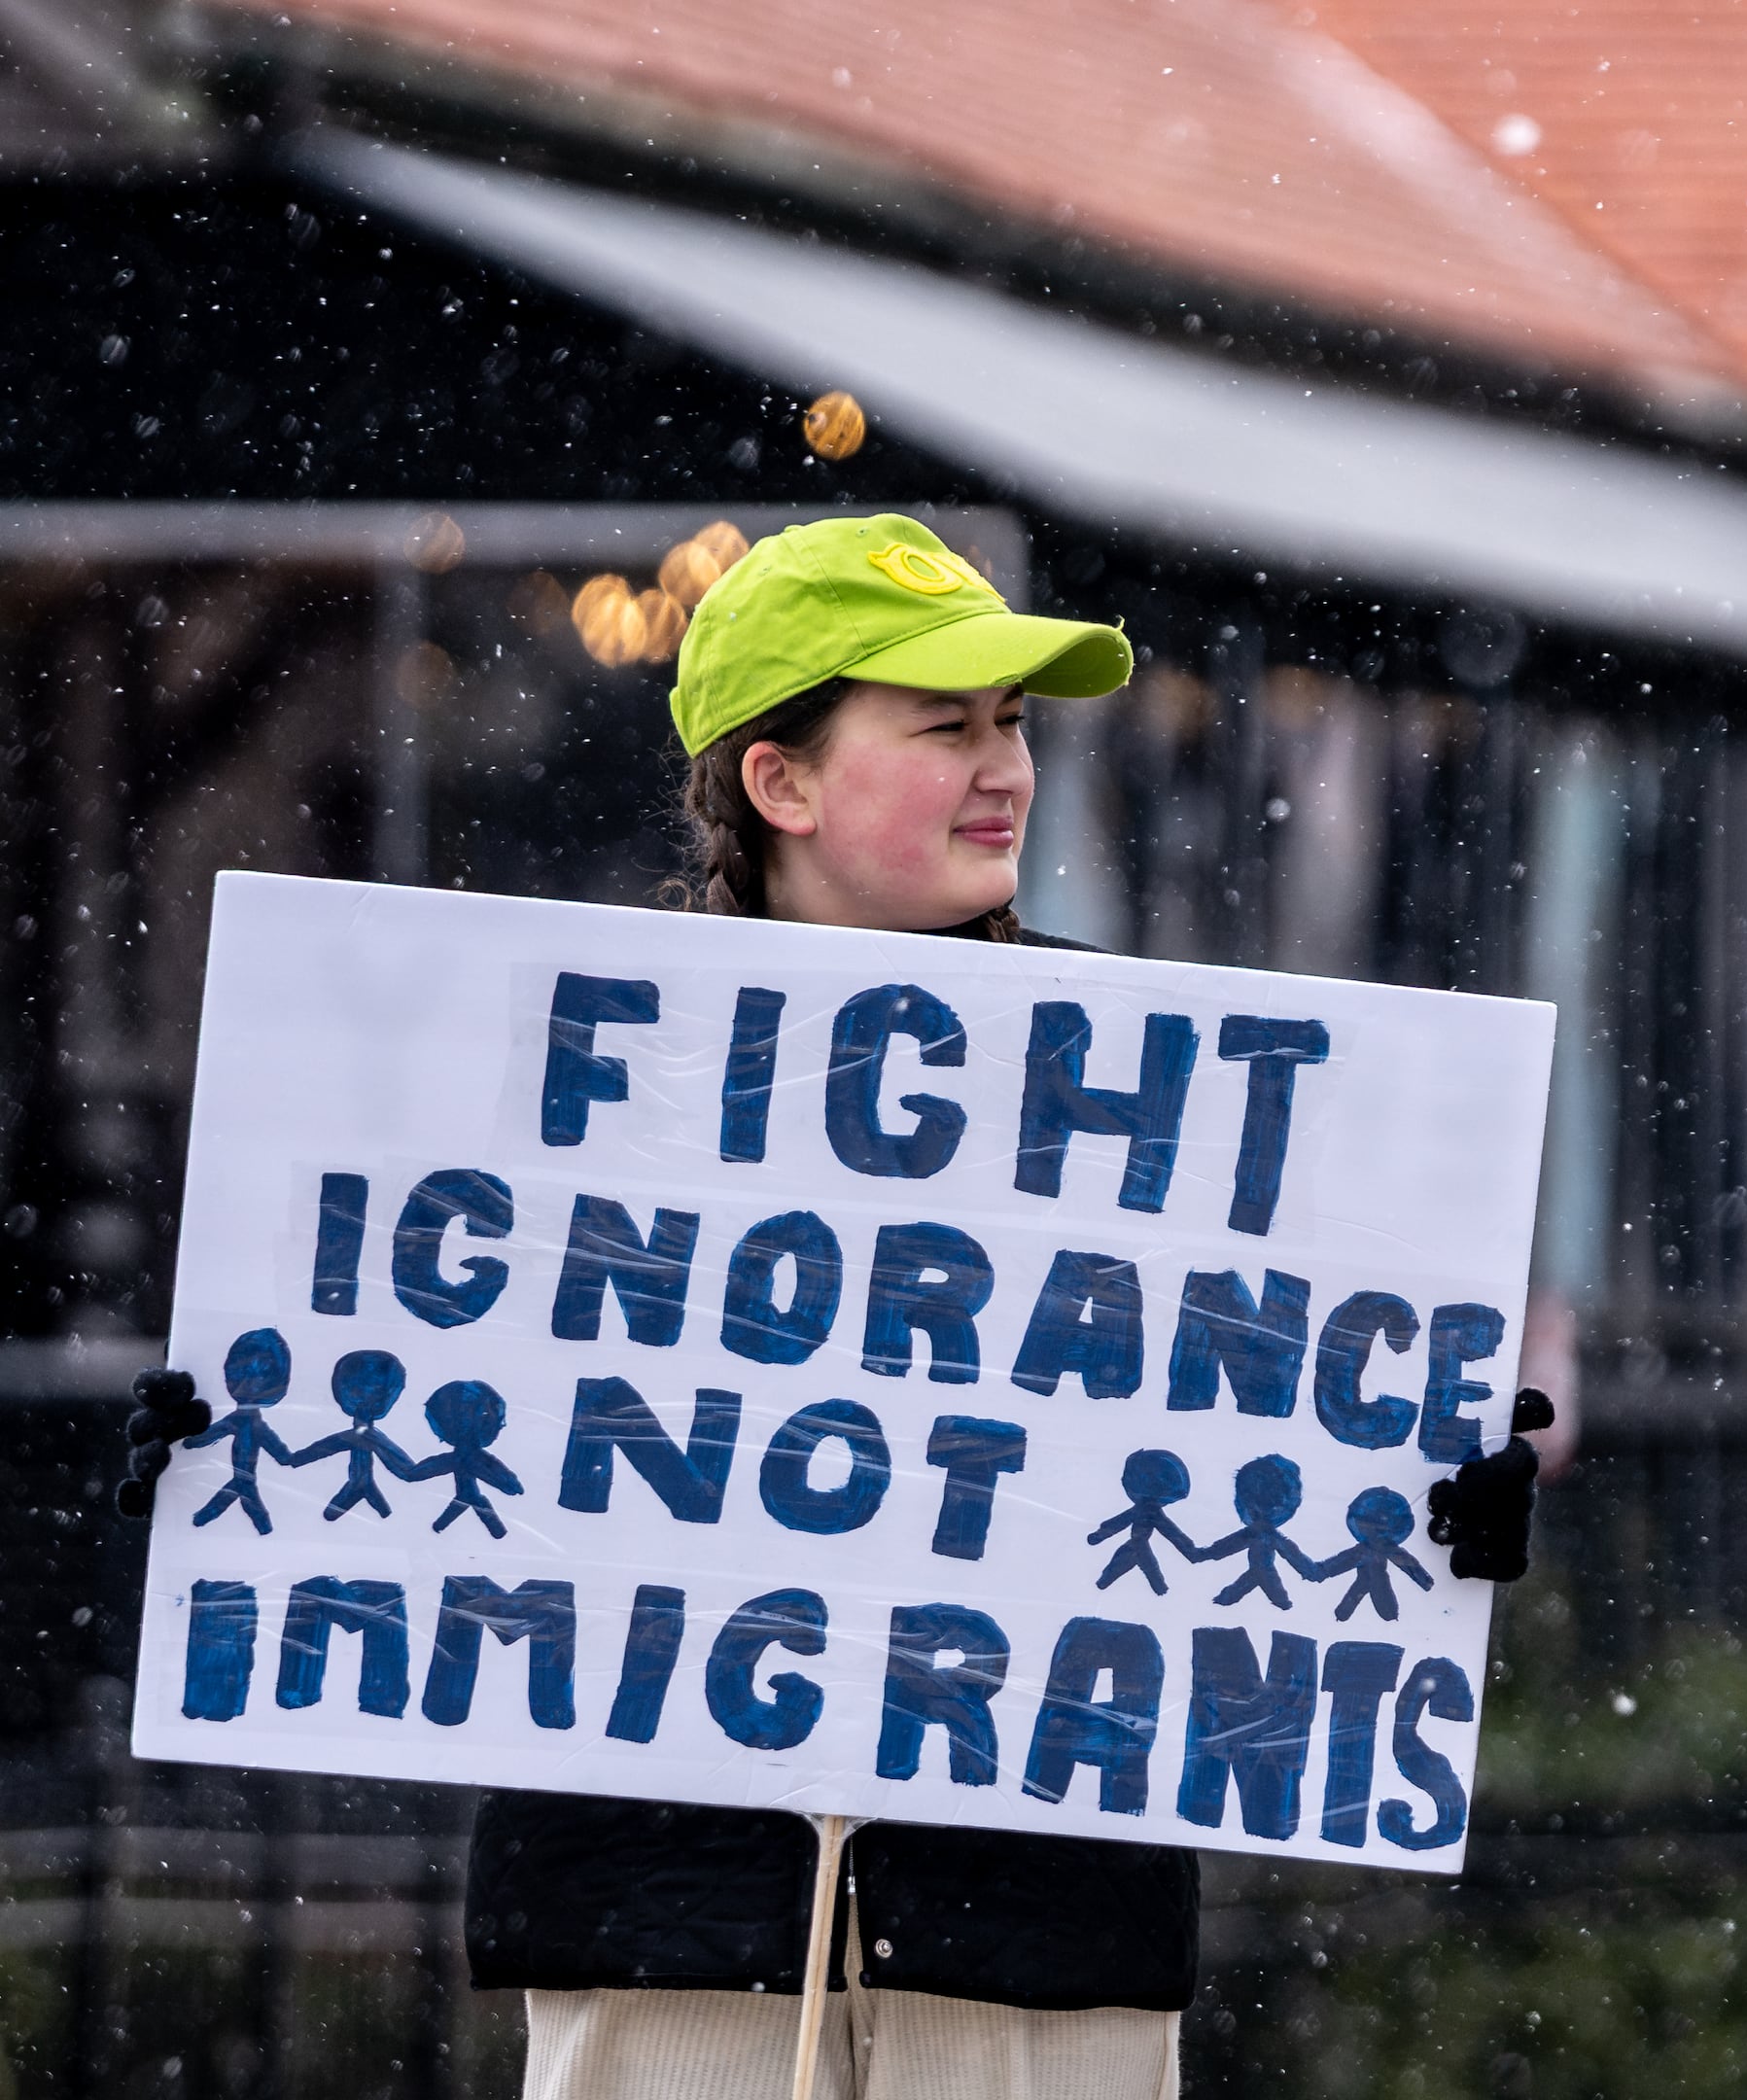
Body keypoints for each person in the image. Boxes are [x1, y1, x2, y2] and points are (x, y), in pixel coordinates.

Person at [121, 513, 1554, 2099]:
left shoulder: (1173, 1115)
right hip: (665, 1919)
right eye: (945, 726)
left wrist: (1425, 1509)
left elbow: (1256, 1450)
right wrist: (243, 1432)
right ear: (779, 783)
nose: (1005, 766)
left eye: (1011, 722)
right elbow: (437, 1391)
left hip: (1032, 1938)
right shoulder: (553, 1093)